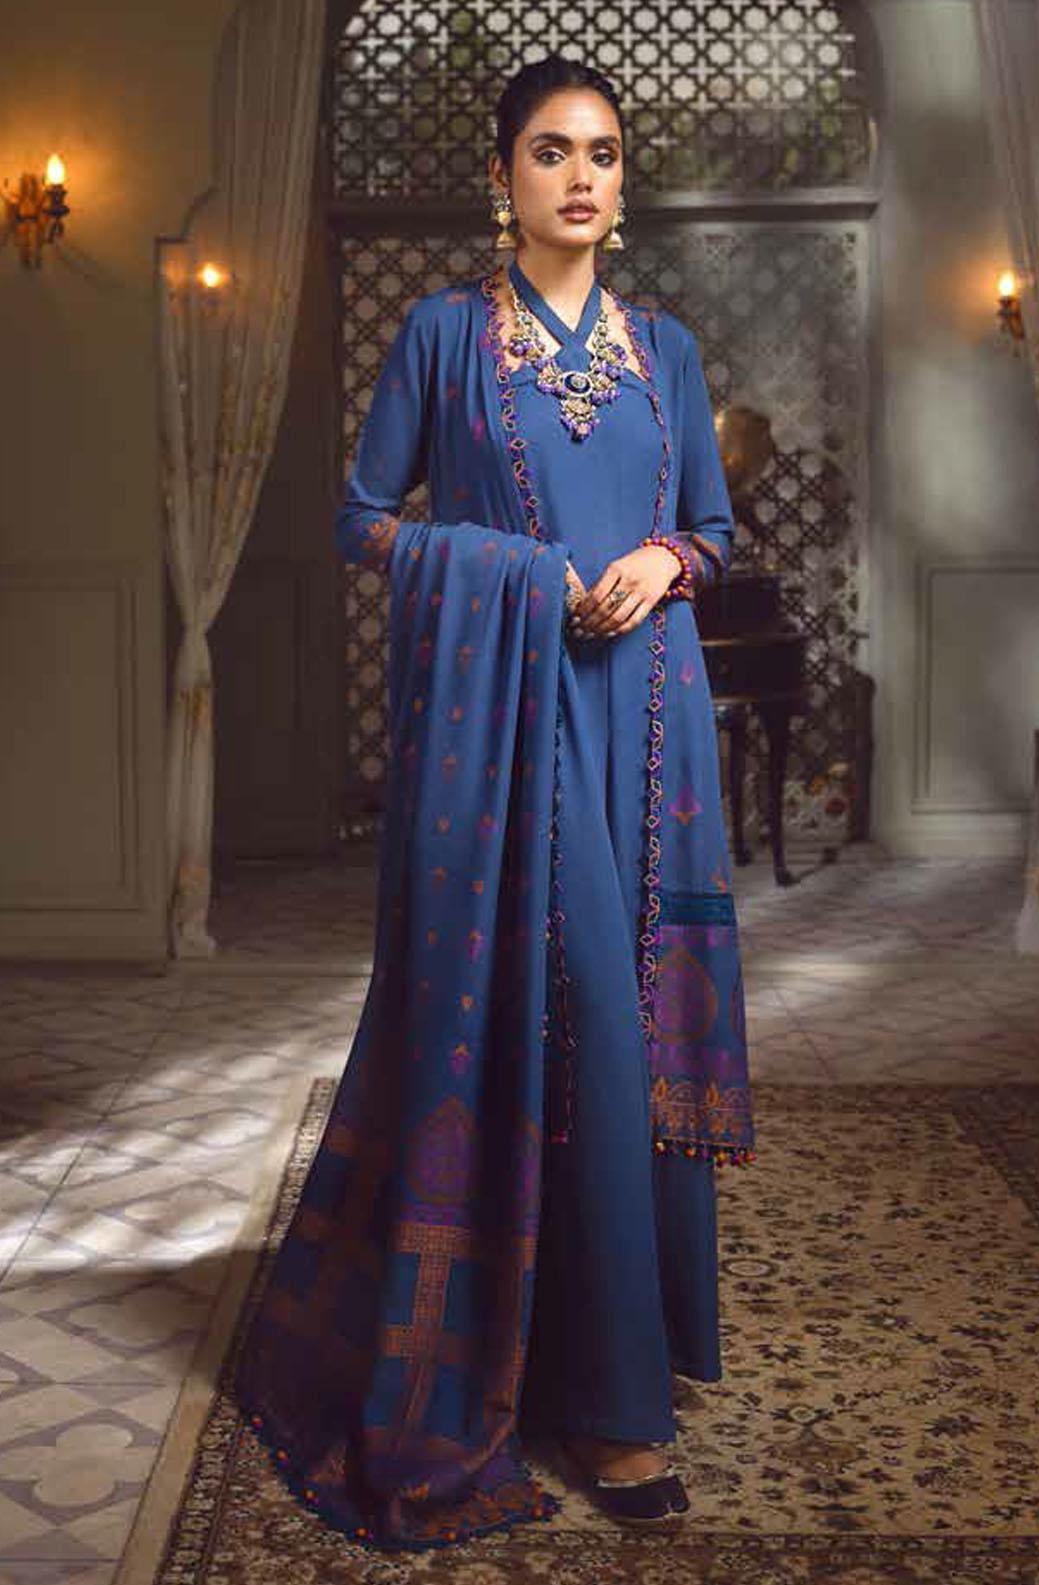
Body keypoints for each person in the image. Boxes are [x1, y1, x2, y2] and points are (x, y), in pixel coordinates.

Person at [232, 52, 754, 1552]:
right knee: (572, 1020)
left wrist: (664, 561)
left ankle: (607, 1355)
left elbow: (712, 527)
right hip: (510, 729)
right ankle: (609, 1406)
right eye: (550, 151)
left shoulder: (665, 350)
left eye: (604, 152)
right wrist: (515, 574)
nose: (582, 176)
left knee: (632, 1029)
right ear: (502, 177)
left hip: (648, 725)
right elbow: (360, 518)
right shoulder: (444, 336)